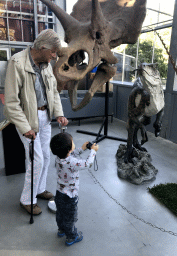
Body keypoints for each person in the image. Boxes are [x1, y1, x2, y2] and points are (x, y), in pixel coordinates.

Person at [4, 29, 68, 215]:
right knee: (36, 160)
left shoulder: (45, 65)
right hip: (27, 120)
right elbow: (11, 102)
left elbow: (53, 93)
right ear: (42, 47)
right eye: (53, 52)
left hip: (45, 117)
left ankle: (39, 190)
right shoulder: (17, 62)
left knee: (46, 156)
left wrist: (59, 113)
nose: (54, 57)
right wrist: (25, 128)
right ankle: (27, 199)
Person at [50, 132, 99, 246]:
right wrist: (93, 151)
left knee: (60, 214)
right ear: (68, 148)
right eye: (72, 142)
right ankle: (71, 237)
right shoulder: (72, 162)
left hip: (59, 193)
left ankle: (61, 230)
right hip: (70, 196)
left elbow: (72, 154)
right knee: (70, 218)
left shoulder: (58, 157)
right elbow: (87, 164)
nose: (74, 143)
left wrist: (82, 148)